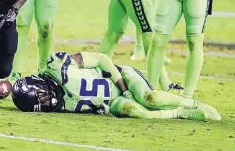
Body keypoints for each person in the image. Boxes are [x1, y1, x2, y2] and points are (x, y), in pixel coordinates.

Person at [12, 51, 221, 121]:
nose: (49, 103)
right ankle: (181, 113)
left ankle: (193, 102)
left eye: (44, 98)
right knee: (140, 113)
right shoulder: (60, 104)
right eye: (43, 104)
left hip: (121, 77)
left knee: (150, 98)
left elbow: (102, 59)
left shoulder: (59, 65)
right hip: (112, 102)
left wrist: (122, 85)